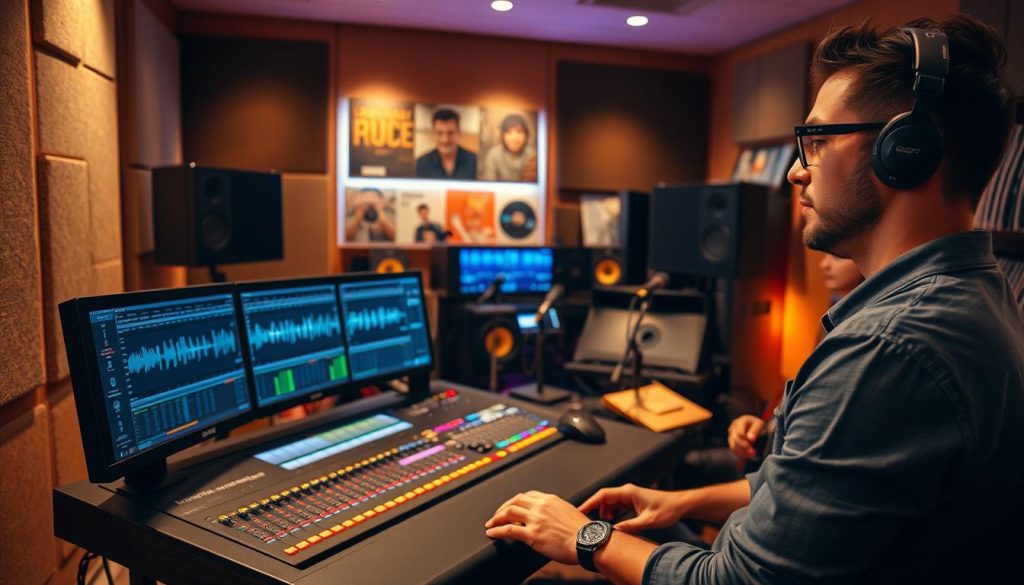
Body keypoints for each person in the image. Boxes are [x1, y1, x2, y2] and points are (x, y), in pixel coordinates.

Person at [485, 16, 1023, 583]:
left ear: (905, 151)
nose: (795, 171)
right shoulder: (978, 294)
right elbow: (808, 488)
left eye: (815, 141)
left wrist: (583, 538)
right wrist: (683, 502)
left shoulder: (889, 348)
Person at [728, 254, 863, 461]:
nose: (824, 264)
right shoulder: (830, 317)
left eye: (837, 257)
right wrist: (764, 429)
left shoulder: (857, 331)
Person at [415, 108, 478, 179]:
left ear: (459, 133)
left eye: (450, 133)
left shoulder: (474, 162)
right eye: (439, 133)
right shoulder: (421, 164)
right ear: (433, 134)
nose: (445, 140)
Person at [481, 113, 538, 182]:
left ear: (526, 135)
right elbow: (489, 185)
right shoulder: (493, 155)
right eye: (508, 132)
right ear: (502, 135)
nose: (514, 138)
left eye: (519, 132)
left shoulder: (533, 155)